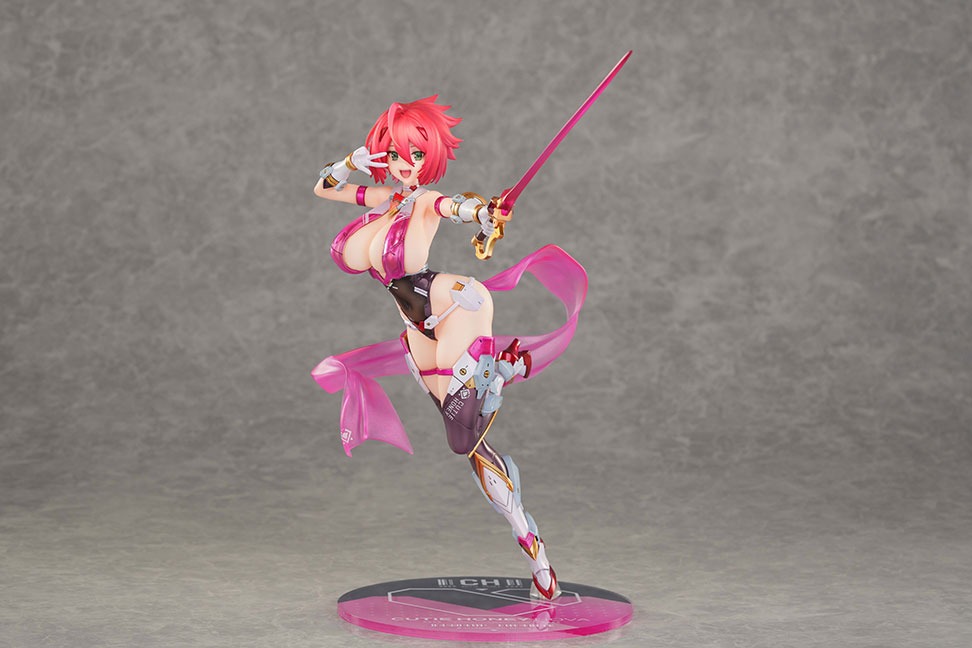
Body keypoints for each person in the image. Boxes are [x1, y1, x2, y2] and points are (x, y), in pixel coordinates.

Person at [312, 96, 587, 600]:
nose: (405, 164)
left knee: (463, 436)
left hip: (454, 306)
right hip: (417, 328)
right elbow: (324, 186)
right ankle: (536, 553)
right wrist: (353, 160)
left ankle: (499, 375)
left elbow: (456, 207)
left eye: (416, 155)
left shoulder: (423, 201)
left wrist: (485, 212)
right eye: (397, 153)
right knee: (469, 445)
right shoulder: (382, 198)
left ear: (431, 158)